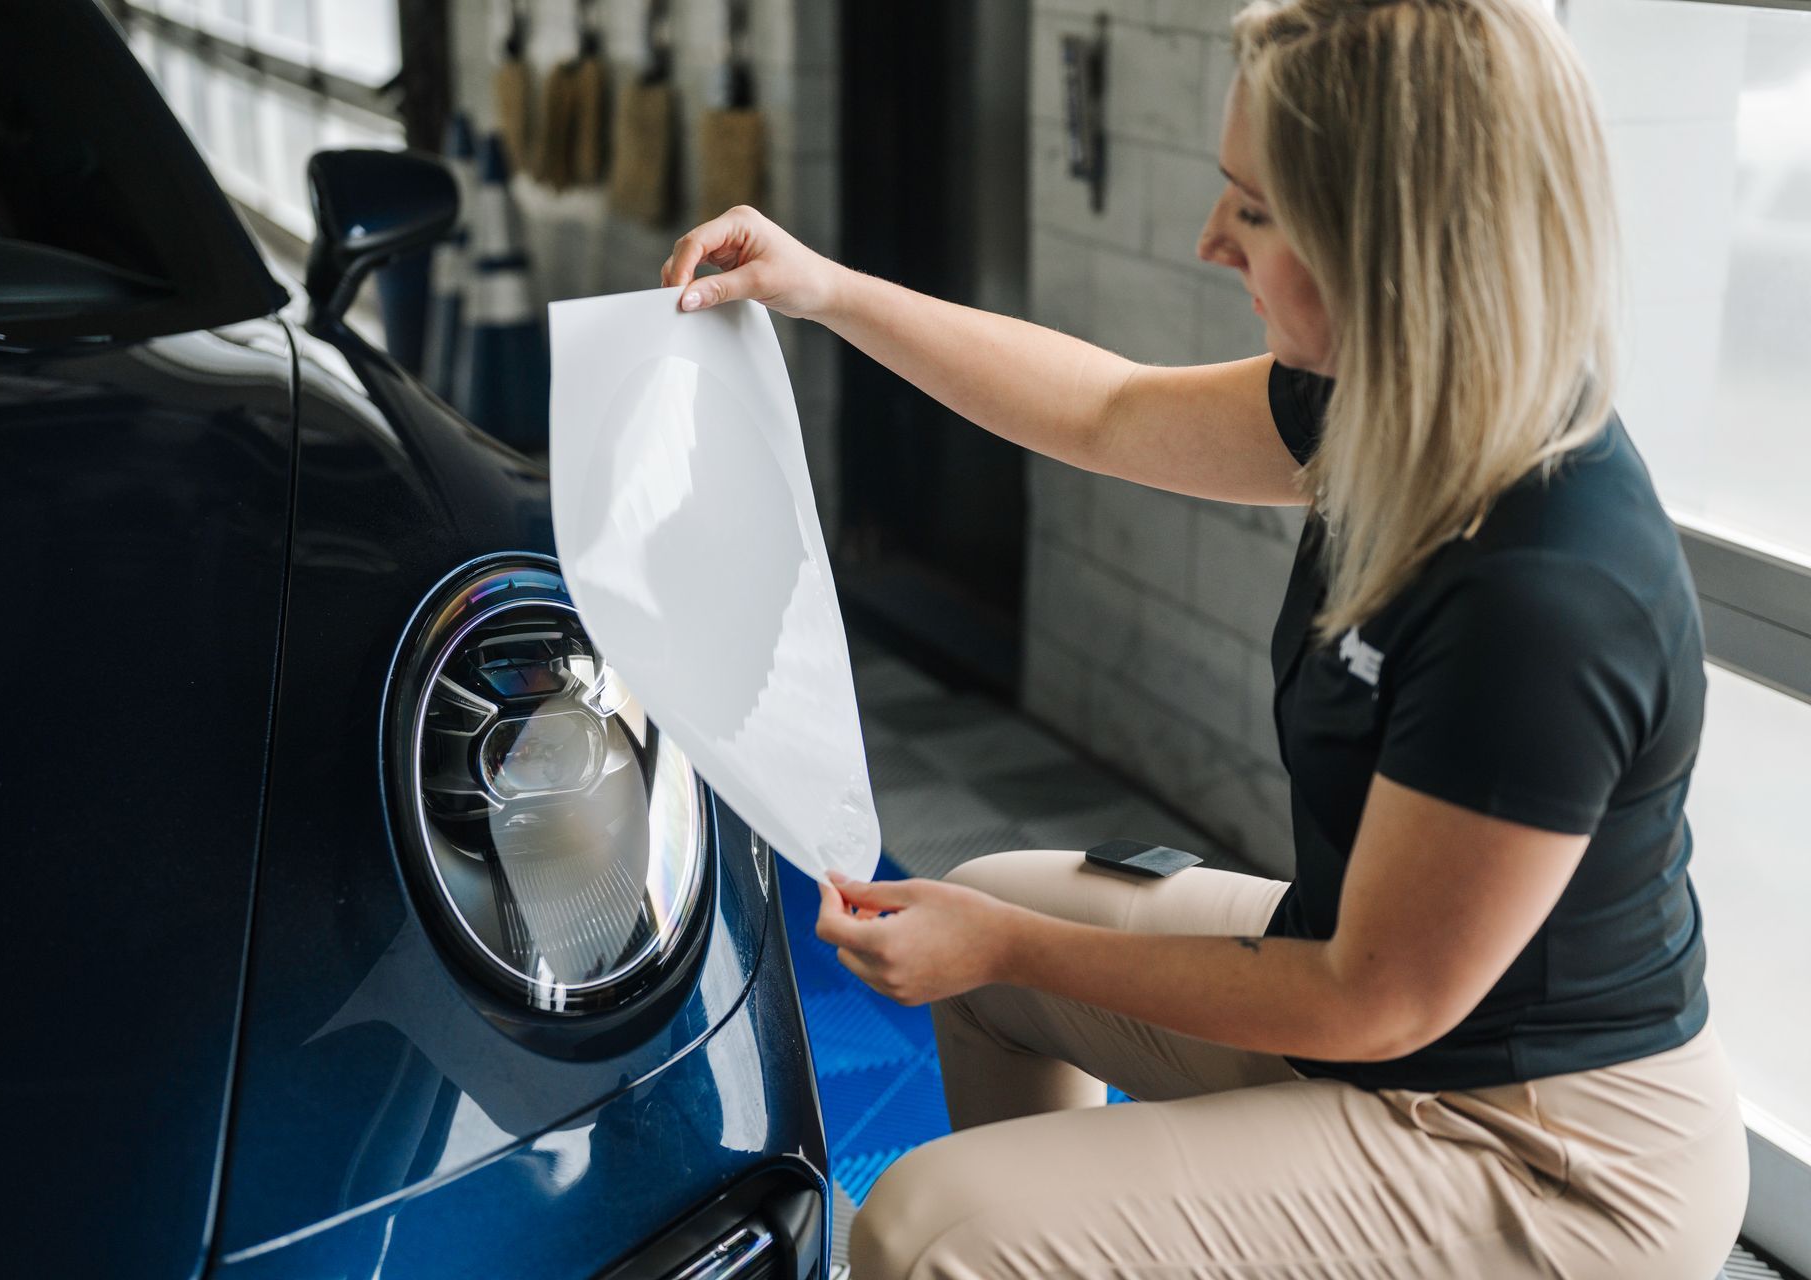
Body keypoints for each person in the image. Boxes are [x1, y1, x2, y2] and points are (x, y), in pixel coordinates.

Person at [659, 0, 1746, 1274]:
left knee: (924, 1223)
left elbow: (1370, 996)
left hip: (1541, 1147)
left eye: (1257, 208)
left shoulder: (1549, 590)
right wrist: (825, 290)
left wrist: (1006, 944)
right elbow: (1111, 411)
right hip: (1382, 1005)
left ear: (1393, 247)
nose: (1210, 240)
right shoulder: (1382, 401)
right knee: (989, 911)